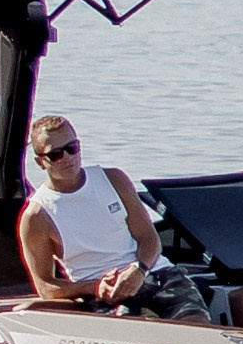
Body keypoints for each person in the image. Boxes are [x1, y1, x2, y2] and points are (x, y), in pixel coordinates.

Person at [17, 114, 166, 309]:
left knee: (196, 321)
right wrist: (94, 287)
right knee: (130, 329)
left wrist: (139, 270)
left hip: (154, 273)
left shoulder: (114, 180)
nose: (68, 158)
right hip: (104, 294)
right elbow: (45, 286)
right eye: (56, 154)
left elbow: (149, 238)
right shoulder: (37, 215)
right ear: (40, 162)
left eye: (72, 148)